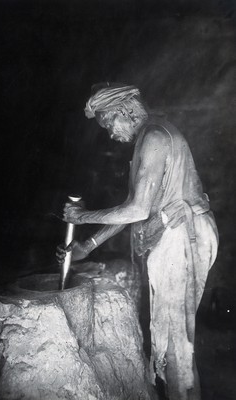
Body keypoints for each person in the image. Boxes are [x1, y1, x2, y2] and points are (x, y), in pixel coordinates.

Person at [57, 82, 218, 400]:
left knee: (174, 347)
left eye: (107, 124)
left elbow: (137, 209)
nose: (110, 134)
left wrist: (82, 217)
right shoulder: (149, 138)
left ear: (122, 111)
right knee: (173, 343)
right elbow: (132, 209)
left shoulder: (155, 137)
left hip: (185, 237)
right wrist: (86, 247)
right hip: (180, 237)